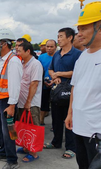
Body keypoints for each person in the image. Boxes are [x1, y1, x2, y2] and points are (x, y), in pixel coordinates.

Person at [65, 1, 101, 169]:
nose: (79, 34)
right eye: (78, 29)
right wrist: (70, 113)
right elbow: (75, 87)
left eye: (84, 28)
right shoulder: (83, 57)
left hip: (97, 132)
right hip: (79, 127)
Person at [44, 27, 82, 159]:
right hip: (56, 92)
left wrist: (61, 73)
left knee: (70, 119)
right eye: (58, 36)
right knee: (56, 119)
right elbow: (51, 70)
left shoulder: (77, 54)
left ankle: (71, 148)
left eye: (61, 36)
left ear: (70, 37)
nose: (58, 39)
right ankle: (56, 142)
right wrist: (54, 76)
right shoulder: (56, 54)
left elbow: (78, 72)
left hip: (70, 93)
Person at [0, 28, 23, 169]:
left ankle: (12, 159)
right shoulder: (2, 60)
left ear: (4, 44)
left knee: (8, 131)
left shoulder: (13, 61)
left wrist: (12, 105)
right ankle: (3, 151)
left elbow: (15, 85)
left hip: (7, 101)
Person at [16, 41, 43, 163]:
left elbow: (34, 83)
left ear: (28, 51)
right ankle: (26, 147)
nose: (17, 52)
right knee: (24, 126)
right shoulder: (21, 63)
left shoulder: (35, 64)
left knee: (33, 126)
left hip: (31, 103)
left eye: (20, 50)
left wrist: (28, 102)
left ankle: (34, 152)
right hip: (21, 101)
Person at [38, 40, 57, 125]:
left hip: (56, 84)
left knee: (55, 105)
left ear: (55, 47)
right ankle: (41, 120)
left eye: (51, 47)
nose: (49, 48)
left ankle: (55, 123)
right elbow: (39, 71)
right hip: (44, 84)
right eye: (47, 46)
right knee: (43, 103)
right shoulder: (41, 57)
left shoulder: (58, 56)